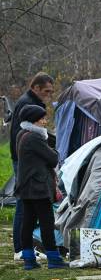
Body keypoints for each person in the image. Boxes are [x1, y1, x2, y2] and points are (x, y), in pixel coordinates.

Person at [14, 105, 67, 270]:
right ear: (34, 120)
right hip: (38, 186)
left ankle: (29, 259)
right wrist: (53, 150)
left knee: (28, 222)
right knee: (46, 222)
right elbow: (53, 158)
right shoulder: (35, 138)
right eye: (43, 118)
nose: (45, 121)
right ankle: (53, 258)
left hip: (26, 185)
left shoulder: (22, 134)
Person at [9, 72, 55, 261]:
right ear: (35, 87)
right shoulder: (28, 104)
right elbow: (25, 135)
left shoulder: (30, 102)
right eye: (46, 91)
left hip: (24, 159)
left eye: (51, 92)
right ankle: (20, 248)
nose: (49, 95)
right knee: (25, 206)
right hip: (26, 162)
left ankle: (24, 249)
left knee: (27, 207)